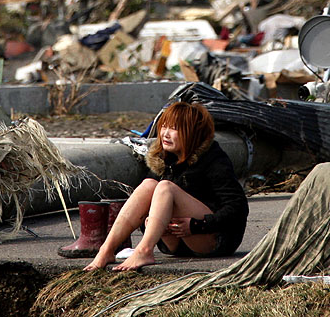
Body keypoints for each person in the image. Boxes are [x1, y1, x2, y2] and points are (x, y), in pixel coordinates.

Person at [84, 101, 248, 271]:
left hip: (212, 239)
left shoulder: (213, 159)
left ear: (192, 132)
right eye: (164, 127)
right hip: (175, 244)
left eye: (174, 128)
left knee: (165, 187)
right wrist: (148, 223)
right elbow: (143, 209)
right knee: (149, 185)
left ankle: (144, 250)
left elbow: (238, 208)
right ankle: (107, 249)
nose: (165, 134)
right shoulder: (164, 159)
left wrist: (196, 225)